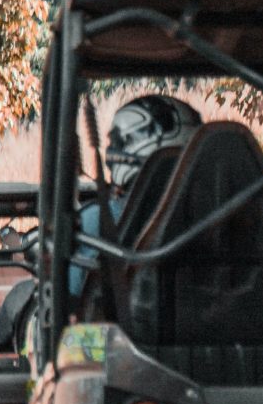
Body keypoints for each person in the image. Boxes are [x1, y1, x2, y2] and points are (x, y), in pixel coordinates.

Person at [70, 92, 201, 306]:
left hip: (125, 335)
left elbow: (69, 301)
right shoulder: (221, 212)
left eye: (117, 142)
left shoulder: (99, 219)